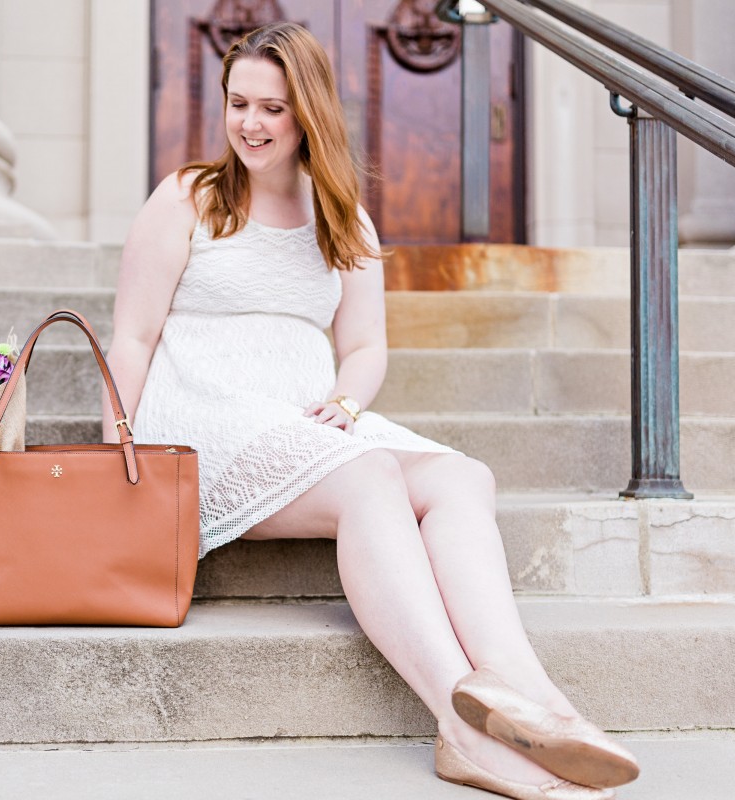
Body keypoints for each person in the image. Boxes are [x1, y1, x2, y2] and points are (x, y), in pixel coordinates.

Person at [105, 21, 639, 800]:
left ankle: (526, 692)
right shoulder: (189, 197)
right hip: (203, 416)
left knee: (462, 477)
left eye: (272, 109)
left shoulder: (343, 217)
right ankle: (462, 726)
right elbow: (133, 334)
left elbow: (364, 346)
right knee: (370, 483)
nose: (250, 124)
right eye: (238, 104)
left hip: (302, 415)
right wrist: (116, 452)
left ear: (310, 113)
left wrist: (348, 401)